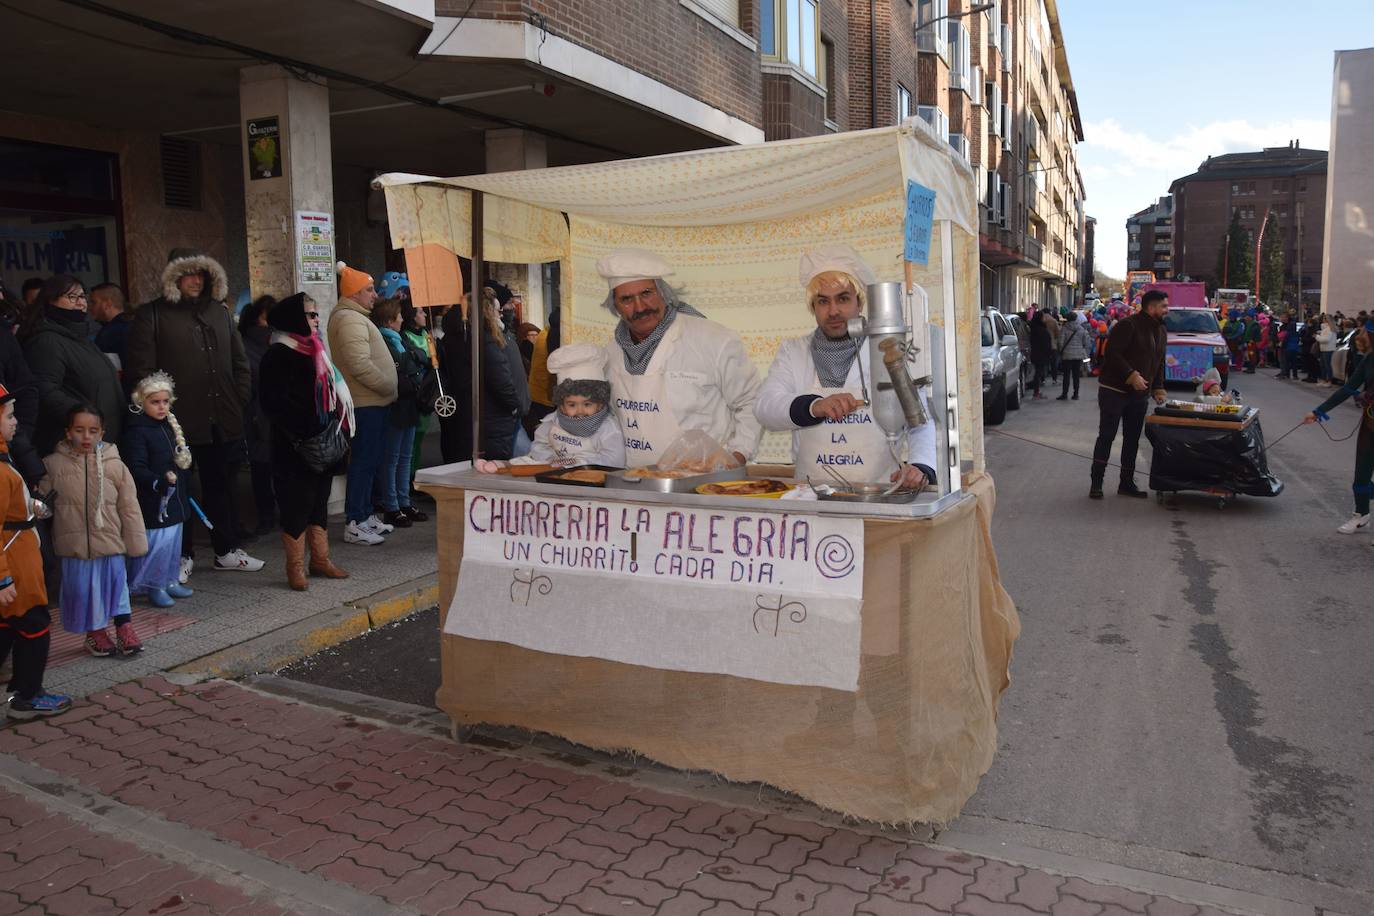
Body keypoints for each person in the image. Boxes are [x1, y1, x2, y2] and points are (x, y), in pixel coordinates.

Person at [126, 250, 263, 574]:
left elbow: (240, 362)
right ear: (174, 277)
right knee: (177, 492)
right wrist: (158, 412)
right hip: (174, 423)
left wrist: (238, 397)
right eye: (188, 274)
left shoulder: (219, 311)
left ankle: (226, 549)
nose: (196, 280)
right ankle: (181, 556)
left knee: (224, 489)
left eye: (201, 274)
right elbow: (141, 373)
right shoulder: (153, 314)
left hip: (222, 419)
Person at [754, 246, 934, 488]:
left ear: (860, 302)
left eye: (843, 298)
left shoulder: (890, 349)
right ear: (813, 307)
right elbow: (765, 408)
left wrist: (921, 466)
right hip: (809, 498)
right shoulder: (793, 352)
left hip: (878, 494)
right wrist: (814, 406)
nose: (833, 311)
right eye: (823, 301)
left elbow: (921, 420)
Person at [598, 249, 762, 467]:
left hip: (702, 481)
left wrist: (737, 456)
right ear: (615, 306)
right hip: (636, 483)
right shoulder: (609, 354)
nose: (640, 307)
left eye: (647, 293)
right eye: (627, 299)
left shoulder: (712, 339)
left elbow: (750, 402)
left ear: (664, 293)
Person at [41, 404, 148, 657]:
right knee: (86, 591)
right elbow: (41, 504)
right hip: (76, 546)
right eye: (79, 430)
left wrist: (136, 542)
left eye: (93, 431)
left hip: (110, 540)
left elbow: (129, 507)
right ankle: (95, 633)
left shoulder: (116, 466)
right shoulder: (53, 465)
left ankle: (125, 628)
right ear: (68, 432)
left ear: (102, 433)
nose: (86, 436)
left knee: (117, 587)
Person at [259, 293, 352, 583]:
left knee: (319, 501)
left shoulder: (316, 349)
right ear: (294, 319)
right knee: (296, 504)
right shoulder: (278, 353)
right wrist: (304, 429)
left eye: (315, 314)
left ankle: (321, 560)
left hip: (322, 440)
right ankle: (295, 566)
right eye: (310, 314)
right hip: (294, 444)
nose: (316, 319)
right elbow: (273, 402)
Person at [0, 383, 71, 719]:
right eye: (9, 415)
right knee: (34, 624)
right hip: (16, 566)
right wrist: (3, 578)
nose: (16, 422)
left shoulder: (4, 458)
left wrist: (30, 506)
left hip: (15, 563)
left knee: (8, 624)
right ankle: (27, 697)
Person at [327, 262, 398, 546]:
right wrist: (387, 385)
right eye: (368, 290)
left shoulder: (356, 316)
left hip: (372, 402)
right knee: (363, 462)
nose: (374, 294)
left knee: (370, 462)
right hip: (365, 403)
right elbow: (358, 364)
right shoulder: (349, 319)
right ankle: (355, 520)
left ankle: (365, 514)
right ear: (354, 293)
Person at [21, 275, 124, 457]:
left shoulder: (81, 340)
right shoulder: (46, 341)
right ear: (50, 301)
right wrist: (85, 418)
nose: (80, 302)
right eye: (72, 297)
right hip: (73, 448)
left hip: (99, 445)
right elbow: (45, 392)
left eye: (83, 296)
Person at [480, 342, 625, 470]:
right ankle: (501, 466)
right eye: (572, 404)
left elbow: (614, 460)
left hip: (592, 483)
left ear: (600, 403)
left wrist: (577, 463)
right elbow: (538, 446)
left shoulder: (608, 428)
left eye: (587, 404)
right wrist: (550, 460)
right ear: (561, 405)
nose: (580, 411)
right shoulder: (552, 422)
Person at [122, 372, 195, 609]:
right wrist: (157, 482)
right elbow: (136, 467)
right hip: (154, 499)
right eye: (155, 402)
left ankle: (170, 579)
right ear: (141, 402)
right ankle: (154, 585)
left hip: (174, 497)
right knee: (157, 544)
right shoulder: (137, 431)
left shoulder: (167, 425)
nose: (161, 406)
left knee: (173, 541)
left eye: (165, 401)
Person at [1090, 288, 1168, 499]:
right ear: (1151, 307)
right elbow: (1112, 354)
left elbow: (1158, 362)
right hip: (1114, 390)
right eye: (1164, 306)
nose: (1167, 310)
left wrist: (1158, 386)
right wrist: (1130, 374)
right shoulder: (1128, 325)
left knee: (1132, 439)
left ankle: (1126, 483)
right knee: (1106, 436)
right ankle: (1096, 483)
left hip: (1139, 396)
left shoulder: (1161, 331)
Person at [1305, 319, 1374, 539]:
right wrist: (1318, 411)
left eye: (1365, 333)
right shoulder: (1369, 360)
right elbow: (1348, 388)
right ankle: (1361, 514)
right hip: (1370, 423)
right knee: (1362, 471)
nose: (1361, 336)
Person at [372, 297, 428, 528]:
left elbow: (420, 359)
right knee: (392, 458)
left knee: (405, 456)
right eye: (399, 316)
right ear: (389, 320)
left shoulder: (401, 337)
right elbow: (403, 364)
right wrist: (411, 362)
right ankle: (391, 505)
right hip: (395, 403)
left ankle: (404, 501)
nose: (403, 319)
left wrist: (411, 362)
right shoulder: (382, 340)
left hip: (409, 402)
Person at [238, 296, 277, 535]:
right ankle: (269, 515)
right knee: (267, 466)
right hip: (264, 413)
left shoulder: (244, 342)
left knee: (263, 467)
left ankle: (267, 516)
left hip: (258, 413)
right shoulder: (274, 342)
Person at [477, 290, 531, 459]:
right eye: (498, 310)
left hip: (509, 412)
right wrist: (514, 405)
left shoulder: (501, 335)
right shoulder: (489, 340)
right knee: (522, 457)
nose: (501, 314)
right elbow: (500, 378)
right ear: (489, 312)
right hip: (503, 415)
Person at [400, 299, 435, 501]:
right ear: (412, 316)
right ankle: (408, 478)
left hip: (427, 391)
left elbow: (433, 358)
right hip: (414, 392)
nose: (424, 315)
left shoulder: (426, 335)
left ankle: (415, 474)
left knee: (419, 438)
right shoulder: (405, 336)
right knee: (410, 441)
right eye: (421, 312)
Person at [89, 283, 134, 370]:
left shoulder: (111, 333)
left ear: (107, 304)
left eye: (94, 302)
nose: (90, 307)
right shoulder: (136, 324)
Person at [1055, 311, 1091, 400]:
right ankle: (1075, 394)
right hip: (1078, 355)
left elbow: (1060, 342)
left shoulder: (1064, 328)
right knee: (1076, 375)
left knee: (1066, 375)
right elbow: (1085, 342)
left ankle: (1064, 394)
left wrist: (1061, 350)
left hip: (1067, 355)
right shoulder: (1081, 329)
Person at [1028, 311, 1053, 400]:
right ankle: (1036, 392)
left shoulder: (1033, 328)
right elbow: (1045, 343)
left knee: (1038, 373)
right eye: (1043, 317)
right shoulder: (1040, 329)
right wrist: (1049, 353)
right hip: (1041, 354)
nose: (1044, 319)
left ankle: (1037, 391)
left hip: (1036, 354)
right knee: (1038, 373)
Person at [1316, 315, 1338, 387]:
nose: (1323, 320)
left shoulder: (1330, 329)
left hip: (1328, 349)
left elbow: (1326, 339)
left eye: (1325, 318)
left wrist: (1317, 337)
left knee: (1327, 365)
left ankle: (1329, 381)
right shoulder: (1325, 328)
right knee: (1323, 365)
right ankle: (1324, 379)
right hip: (1324, 348)